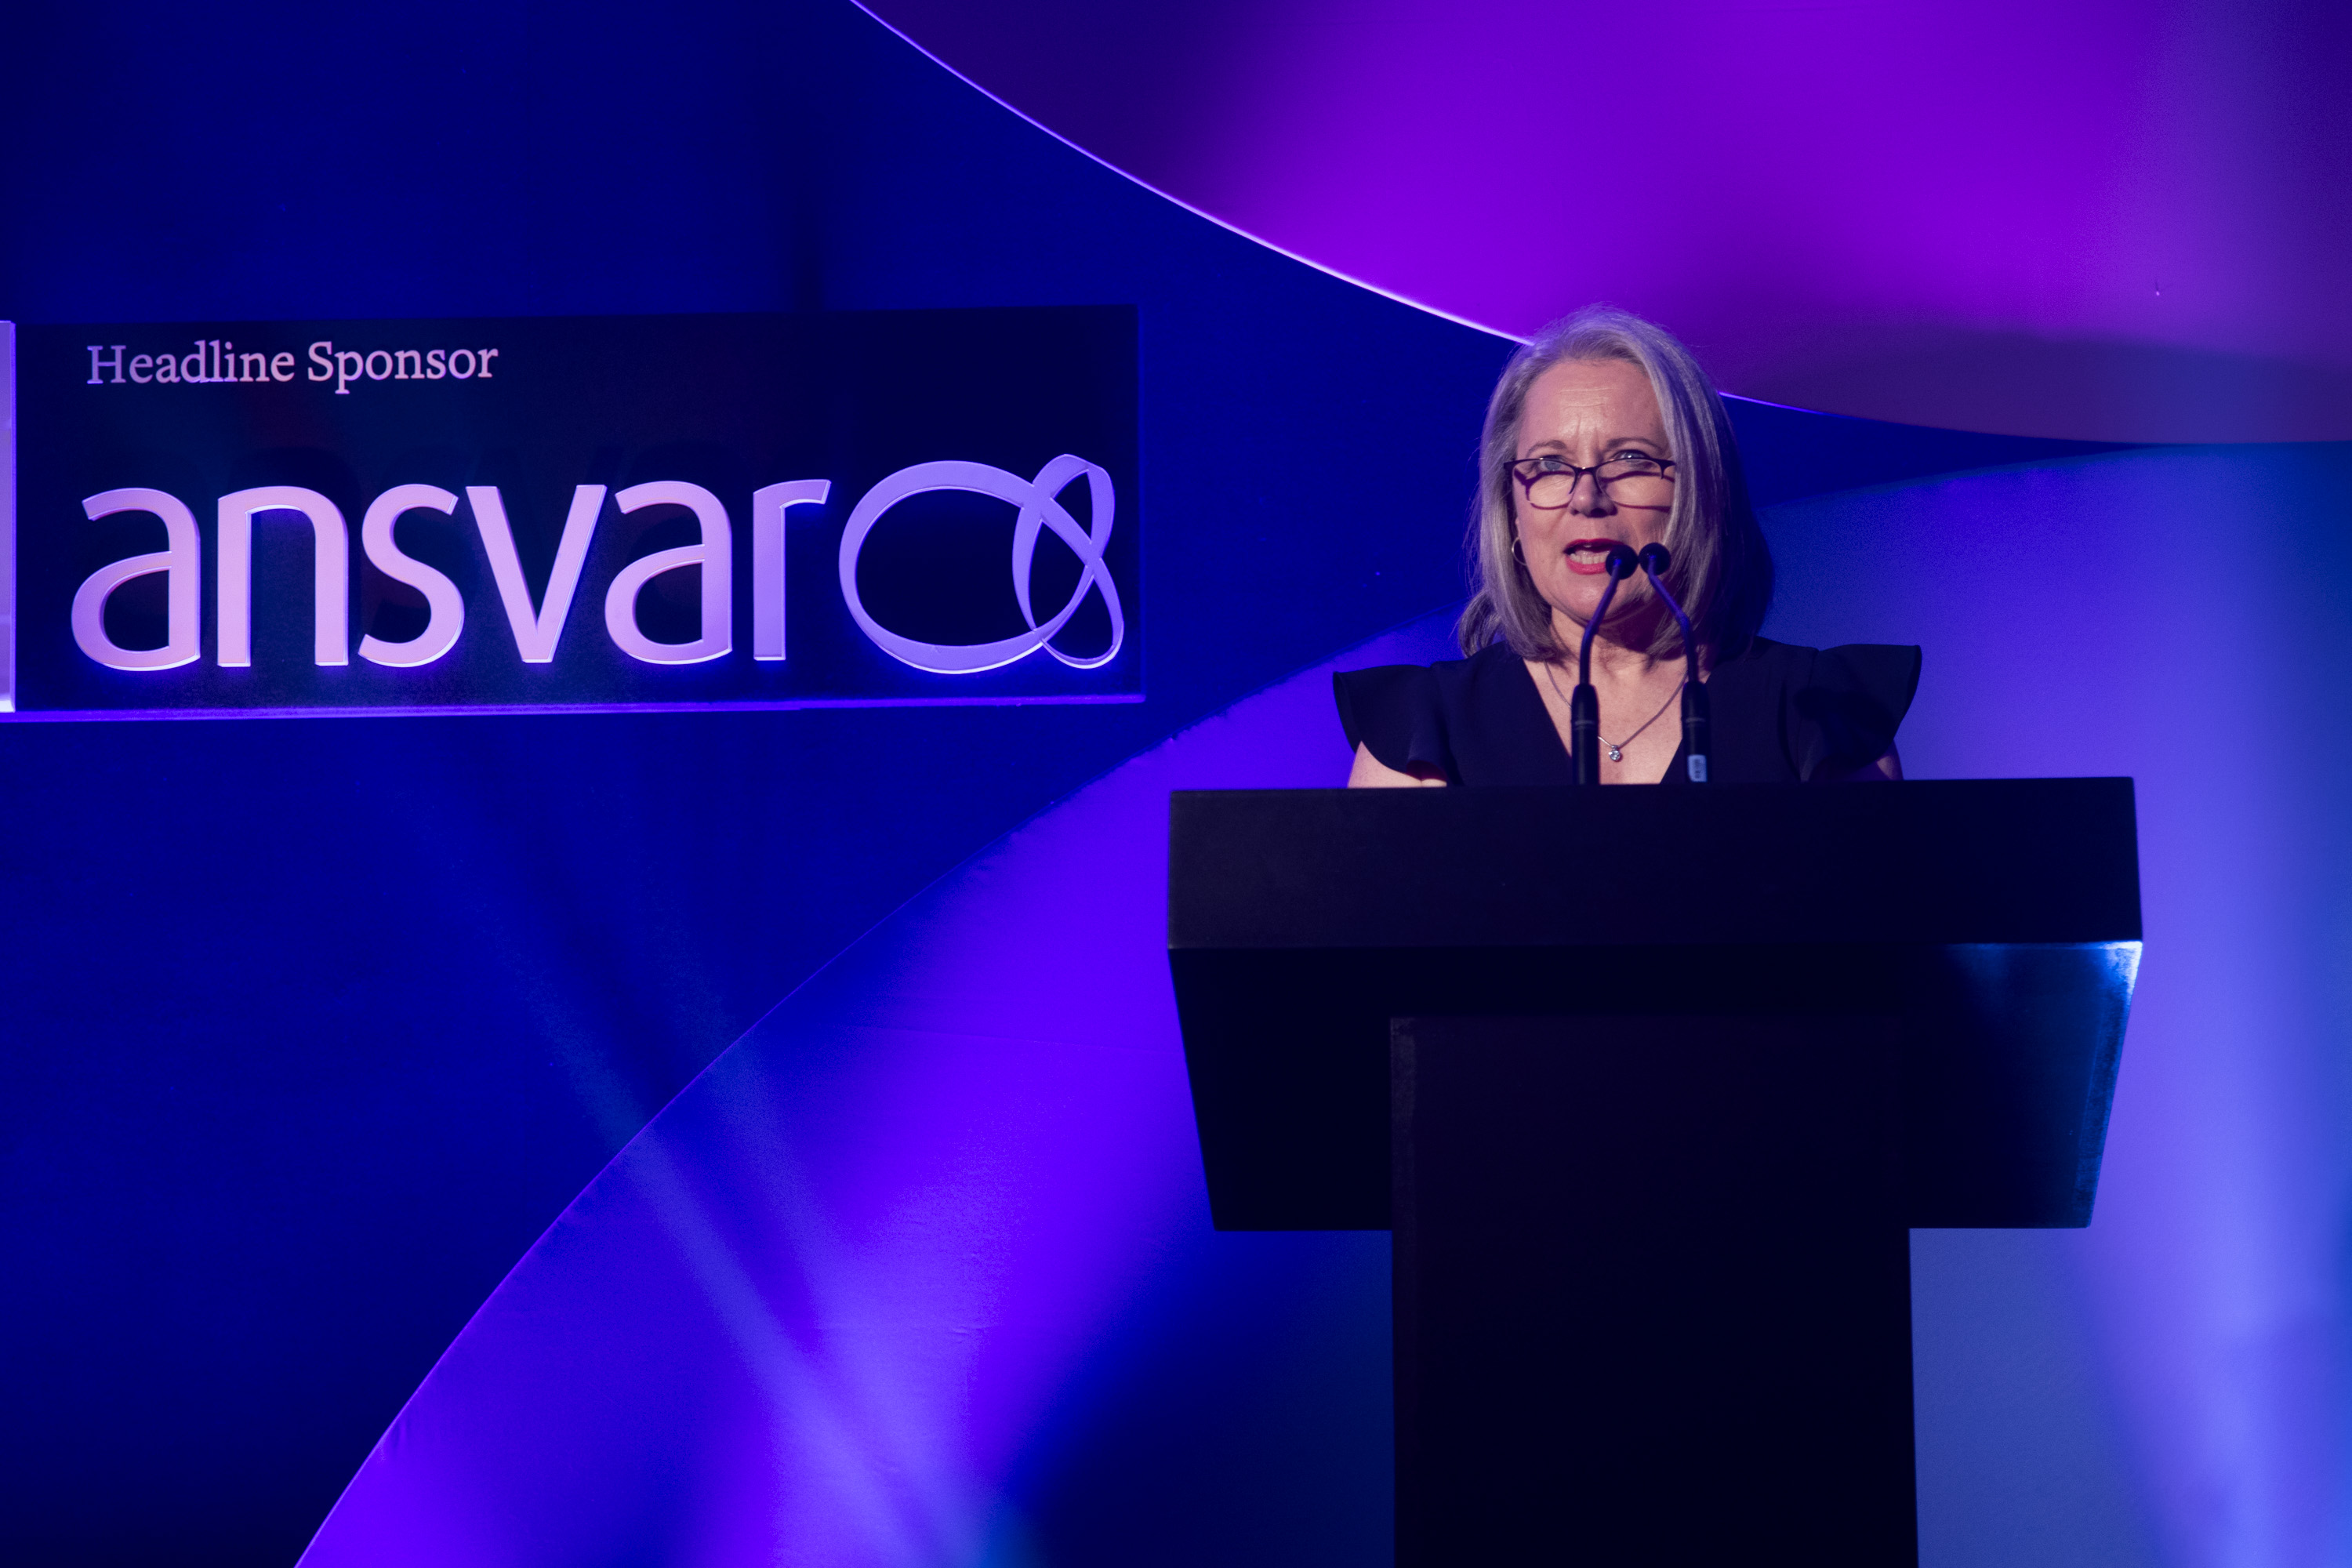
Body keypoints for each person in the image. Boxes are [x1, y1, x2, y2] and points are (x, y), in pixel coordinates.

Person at [1338, 306, 1917, 786]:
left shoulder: (1820, 715)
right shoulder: (1422, 733)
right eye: (1550, 465)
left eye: (1631, 459)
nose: (1586, 498)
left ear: (1702, 490)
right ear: (1511, 511)